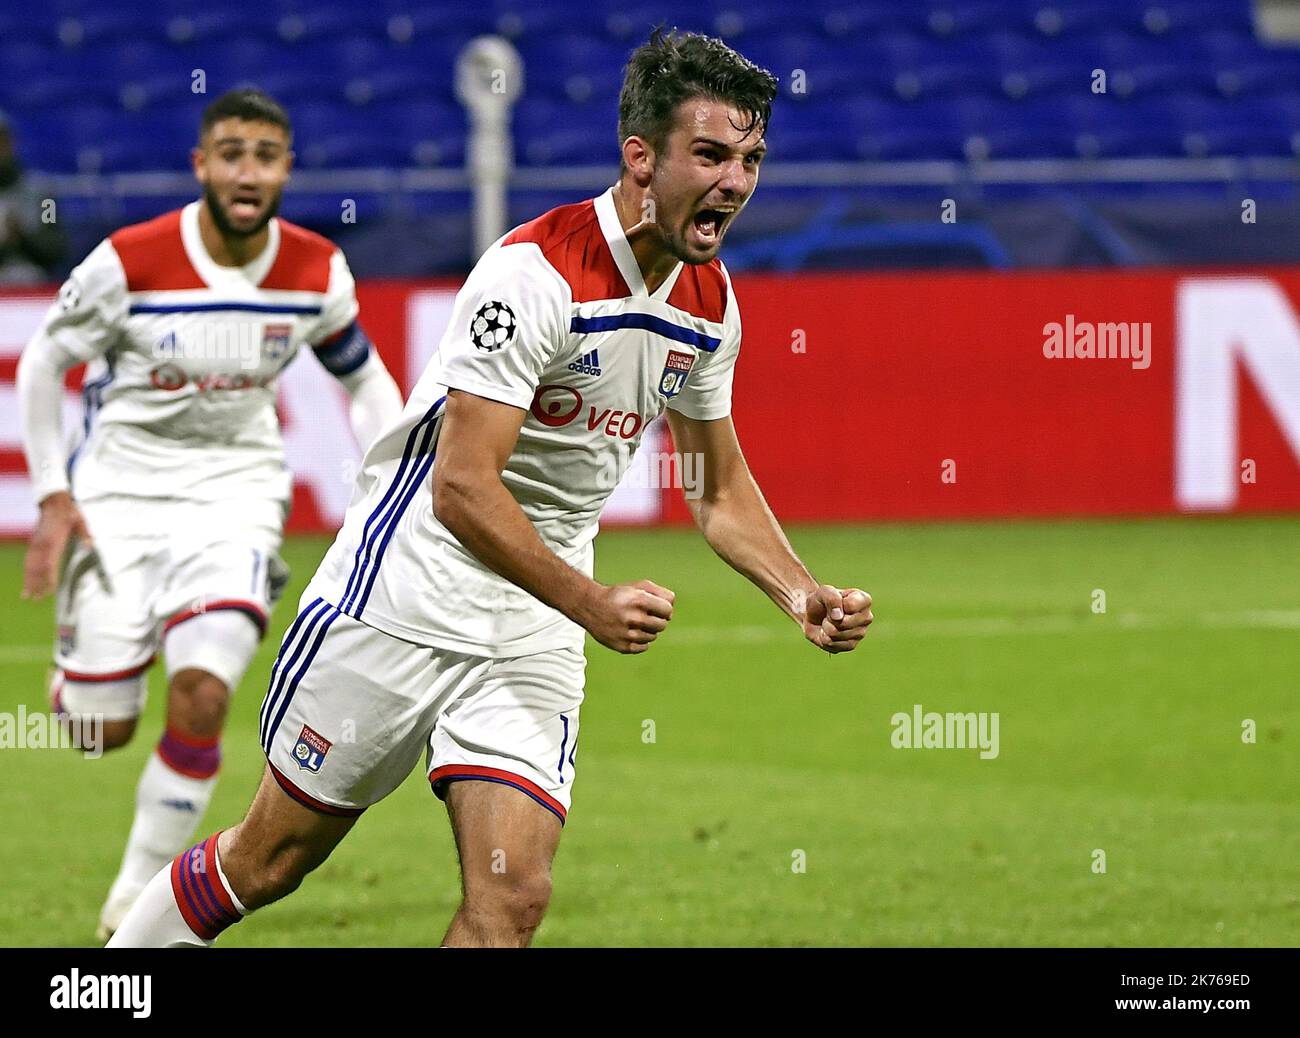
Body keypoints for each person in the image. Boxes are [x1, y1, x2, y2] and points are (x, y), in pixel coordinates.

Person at [107, 29, 871, 950]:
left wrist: (800, 593)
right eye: (708, 155)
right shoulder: (535, 274)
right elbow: (460, 489)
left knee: (512, 900)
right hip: (408, 591)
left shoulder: (710, 305)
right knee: (271, 860)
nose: (734, 183)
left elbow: (715, 482)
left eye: (749, 159)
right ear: (641, 158)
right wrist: (590, 600)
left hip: (534, 622)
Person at [17, 88, 403, 941]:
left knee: (200, 692)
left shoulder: (314, 271)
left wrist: (387, 467)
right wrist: (53, 494)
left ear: (286, 169)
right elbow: (44, 362)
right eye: (230, 153)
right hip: (120, 499)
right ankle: (90, 676)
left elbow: (365, 377)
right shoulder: (132, 261)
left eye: (265, 156)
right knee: (96, 728)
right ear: (201, 165)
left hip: (235, 498)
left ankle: (130, 895)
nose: (247, 171)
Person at [0, 108, 67, 285]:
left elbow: (55, 248)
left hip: (32, 285)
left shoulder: (44, 196)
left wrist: (22, 235)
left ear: (11, 144)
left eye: (2, 142)